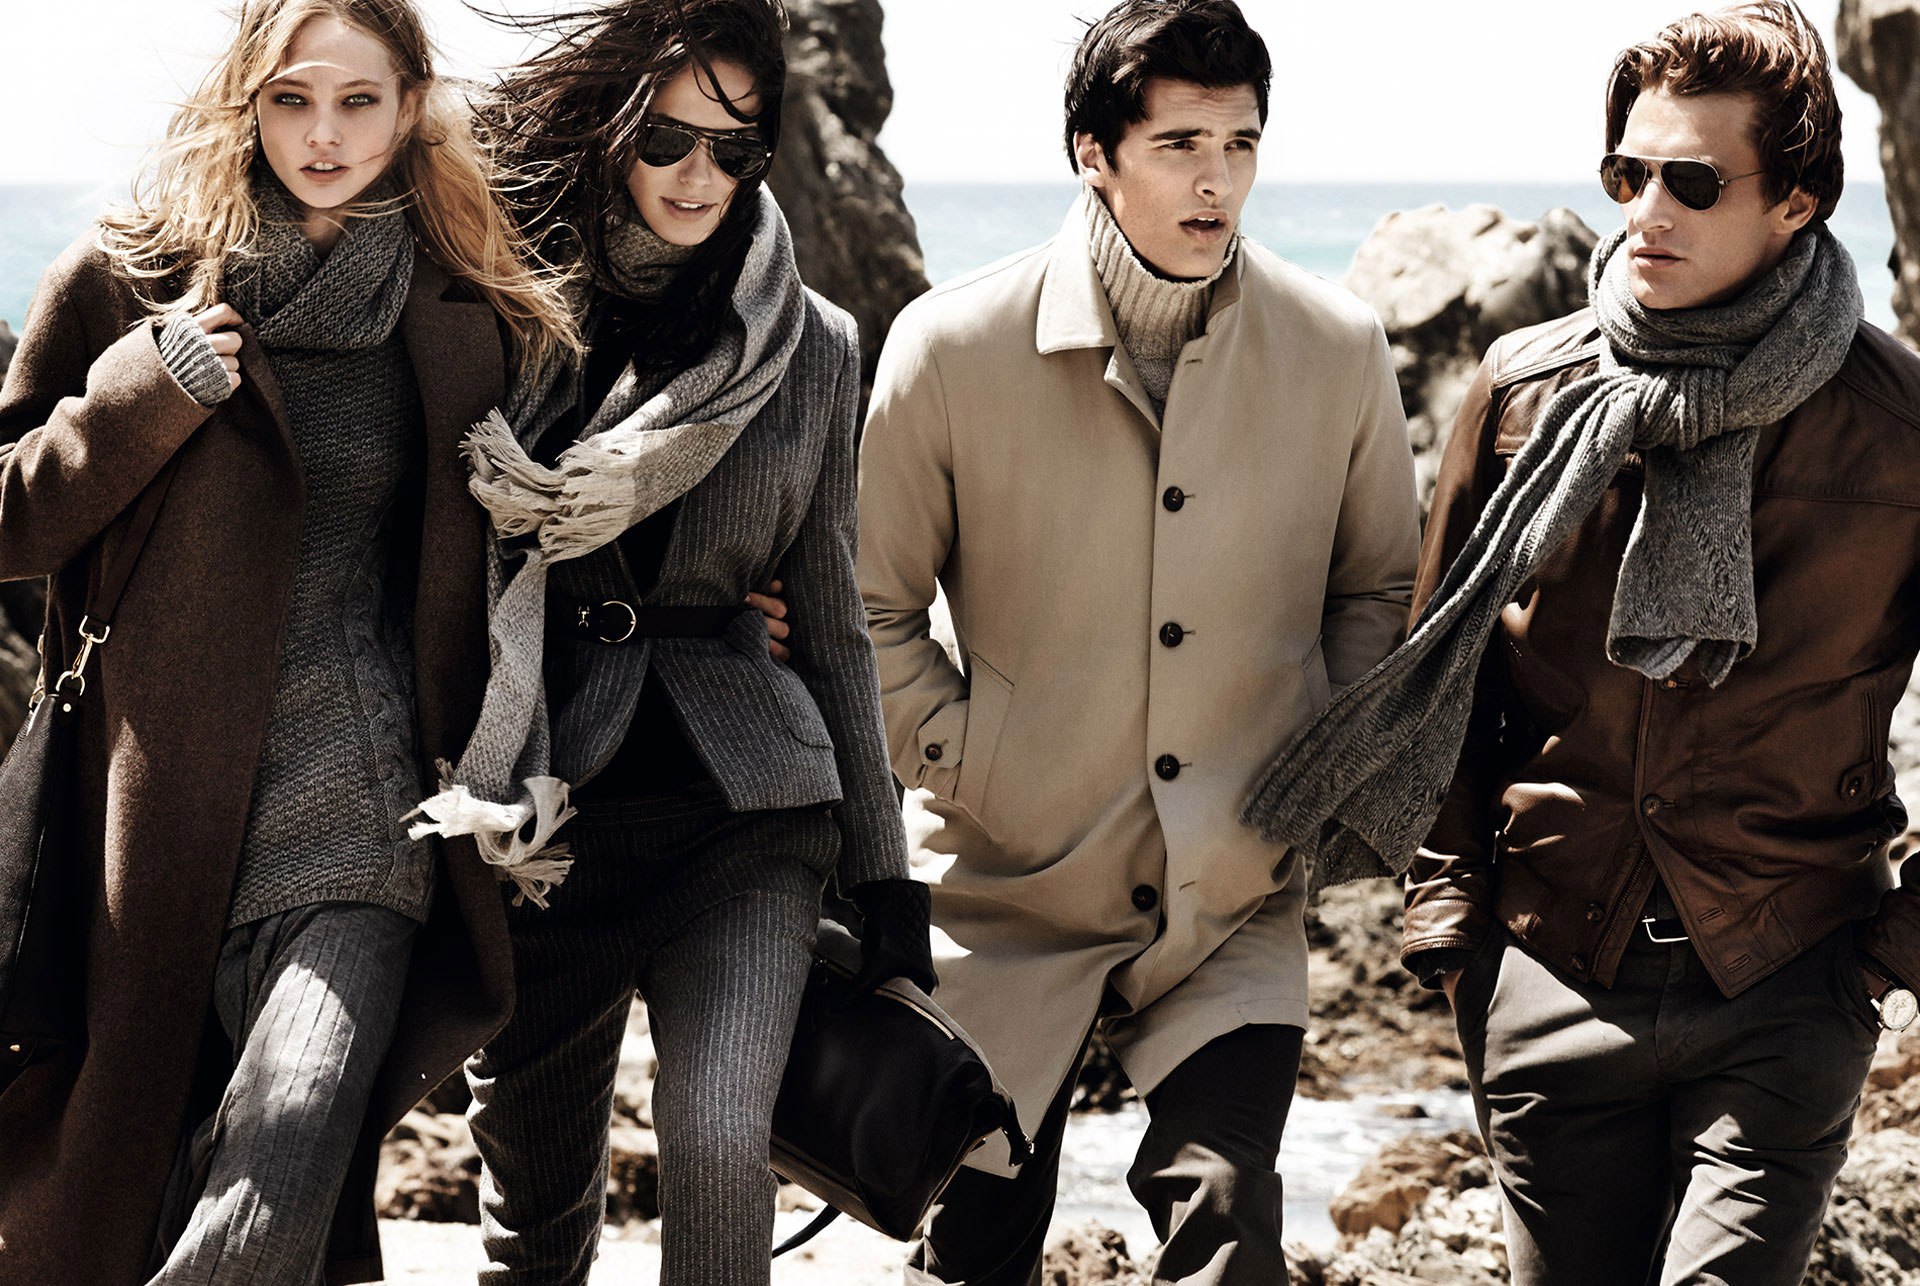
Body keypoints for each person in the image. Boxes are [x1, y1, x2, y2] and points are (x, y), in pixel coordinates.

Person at [1242, 4, 1920, 1283]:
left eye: (1692, 182)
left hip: (1789, 978)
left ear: (1798, 202)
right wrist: (1455, 934)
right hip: (1550, 973)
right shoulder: (1524, 392)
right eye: (1627, 173)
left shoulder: (1899, 430)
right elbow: (1439, 675)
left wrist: (1890, 957)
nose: (1646, 211)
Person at [0, 0, 579, 1281]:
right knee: (146, 1191)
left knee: (292, 1134)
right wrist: (142, 395)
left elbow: (543, 528)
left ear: (413, 106)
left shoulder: (461, 311)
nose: (324, 134)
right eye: (292, 99)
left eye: (358, 100)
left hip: (368, 816)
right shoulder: (128, 278)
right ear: (246, 102)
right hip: (155, 830)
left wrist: (738, 612)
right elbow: (10, 520)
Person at [855, 1, 1420, 1280]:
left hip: (1233, 893)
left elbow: (1376, 590)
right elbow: (866, 607)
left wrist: (1306, 779)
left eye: (1241, 142)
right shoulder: (949, 346)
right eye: (1179, 144)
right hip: (1006, 891)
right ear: (1092, 154)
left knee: (1229, 1220)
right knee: (974, 1249)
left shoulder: (1338, 349)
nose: (1217, 179)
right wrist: (969, 757)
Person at [403, 2, 930, 1282]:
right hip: (542, 824)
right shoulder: (504, 304)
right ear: (610, 132)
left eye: (735, 150)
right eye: (668, 140)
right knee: (535, 1221)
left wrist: (887, 883)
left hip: (744, 816)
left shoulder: (814, 345)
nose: (700, 175)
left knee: (718, 1137)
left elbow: (836, 625)